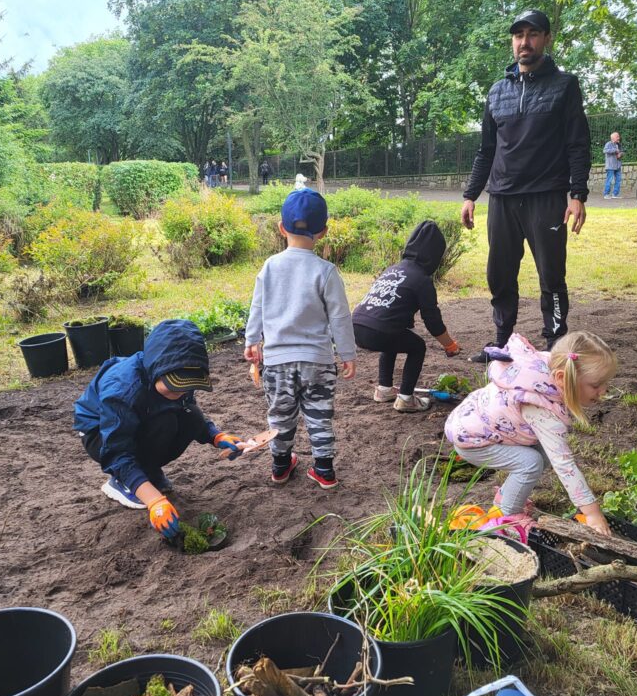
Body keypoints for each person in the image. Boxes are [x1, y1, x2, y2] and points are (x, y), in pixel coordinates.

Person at [460, 9, 591, 362]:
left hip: (546, 197)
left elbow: (578, 143)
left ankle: (555, 344)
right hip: (502, 198)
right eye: (518, 35)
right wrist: (471, 194)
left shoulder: (565, 86)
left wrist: (577, 194)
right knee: (500, 274)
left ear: (546, 39)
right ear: (512, 41)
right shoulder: (497, 91)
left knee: (551, 275)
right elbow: (487, 149)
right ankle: (502, 342)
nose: (524, 42)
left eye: (532, 34)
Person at [74, 319, 248, 541]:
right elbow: (116, 450)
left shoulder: (178, 379)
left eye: (186, 386)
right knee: (163, 424)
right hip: (100, 434)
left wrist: (215, 436)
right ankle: (123, 481)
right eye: (174, 385)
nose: (180, 393)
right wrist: (154, 501)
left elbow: (188, 409)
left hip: (143, 419)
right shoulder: (122, 390)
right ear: (156, 367)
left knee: (189, 416)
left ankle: (146, 470)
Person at [445, 331, 617, 537]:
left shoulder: (549, 366)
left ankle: (507, 497)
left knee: (542, 454)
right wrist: (592, 513)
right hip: (474, 440)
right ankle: (507, 519)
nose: (604, 391)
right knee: (530, 463)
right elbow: (565, 465)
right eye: (596, 385)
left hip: (481, 425)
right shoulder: (540, 406)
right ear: (563, 378)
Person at [244, 188, 356, 489]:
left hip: (278, 362)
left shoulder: (270, 267)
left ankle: (280, 467)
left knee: (280, 417)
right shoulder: (327, 271)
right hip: (318, 362)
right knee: (319, 416)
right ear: (323, 232)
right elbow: (340, 317)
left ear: (281, 228)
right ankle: (324, 471)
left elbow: (258, 306)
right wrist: (347, 354)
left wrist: (251, 341)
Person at [352, 219, 462, 413]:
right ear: (435, 256)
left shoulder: (392, 269)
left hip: (356, 326)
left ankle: (384, 389)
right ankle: (405, 399)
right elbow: (433, 321)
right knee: (417, 346)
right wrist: (449, 345)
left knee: (392, 337)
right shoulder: (422, 280)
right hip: (379, 331)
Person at [603, 132, 623, 199]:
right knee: (610, 180)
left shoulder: (618, 144)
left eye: (618, 136)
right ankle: (606, 194)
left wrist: (620, 154)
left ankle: (615, 194)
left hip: (618, 165)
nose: (618, 138)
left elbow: (622, 151)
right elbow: (605, 151)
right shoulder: (608, 144)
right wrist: (615, 150)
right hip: (610, 166)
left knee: (618, 180)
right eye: (617, 136)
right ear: (613, 138)